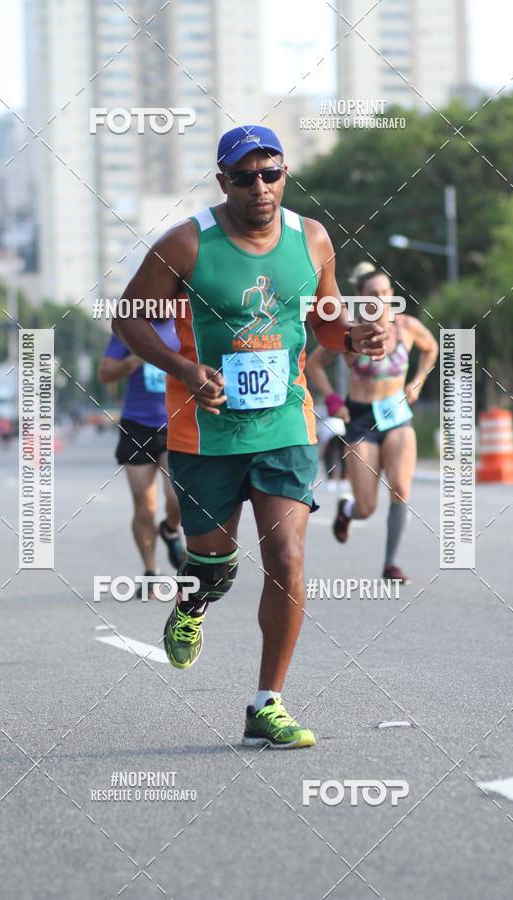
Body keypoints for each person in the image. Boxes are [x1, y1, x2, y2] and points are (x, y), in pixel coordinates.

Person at [115, 125, 386, 749]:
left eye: (271, 173)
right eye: (244, 176)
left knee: (287, 558)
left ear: (285, 174)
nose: (260, 187)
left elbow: (323, 322)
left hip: (285, 424)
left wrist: (354, 337)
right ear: (223, 181)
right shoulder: (185, 245)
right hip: (204, 431)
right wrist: (183, 369)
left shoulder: (311, 238)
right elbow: (129, 316)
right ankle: (194, 599)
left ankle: (268, 702)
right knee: (213, 564)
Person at [307, 266, 438, 585]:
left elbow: (431, 347)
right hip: (361, 419)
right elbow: (313, 364)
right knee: (367, 507)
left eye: (385, 292)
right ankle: (348, 510)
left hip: (397, 417)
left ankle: (390, 564)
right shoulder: (351, 335)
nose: (381, 299)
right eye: (373, 294)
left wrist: (417, 381)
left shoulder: (407, 327)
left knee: (401, 488)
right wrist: (333, 400)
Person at [98, 320, 185, 595]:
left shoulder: (186, 322)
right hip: (137, 425)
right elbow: (104, 373)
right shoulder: (129, 327)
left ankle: (170, 529)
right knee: (144, 507)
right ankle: (151, 572)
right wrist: (130, 362)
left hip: (175, 423)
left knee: (179, 499)